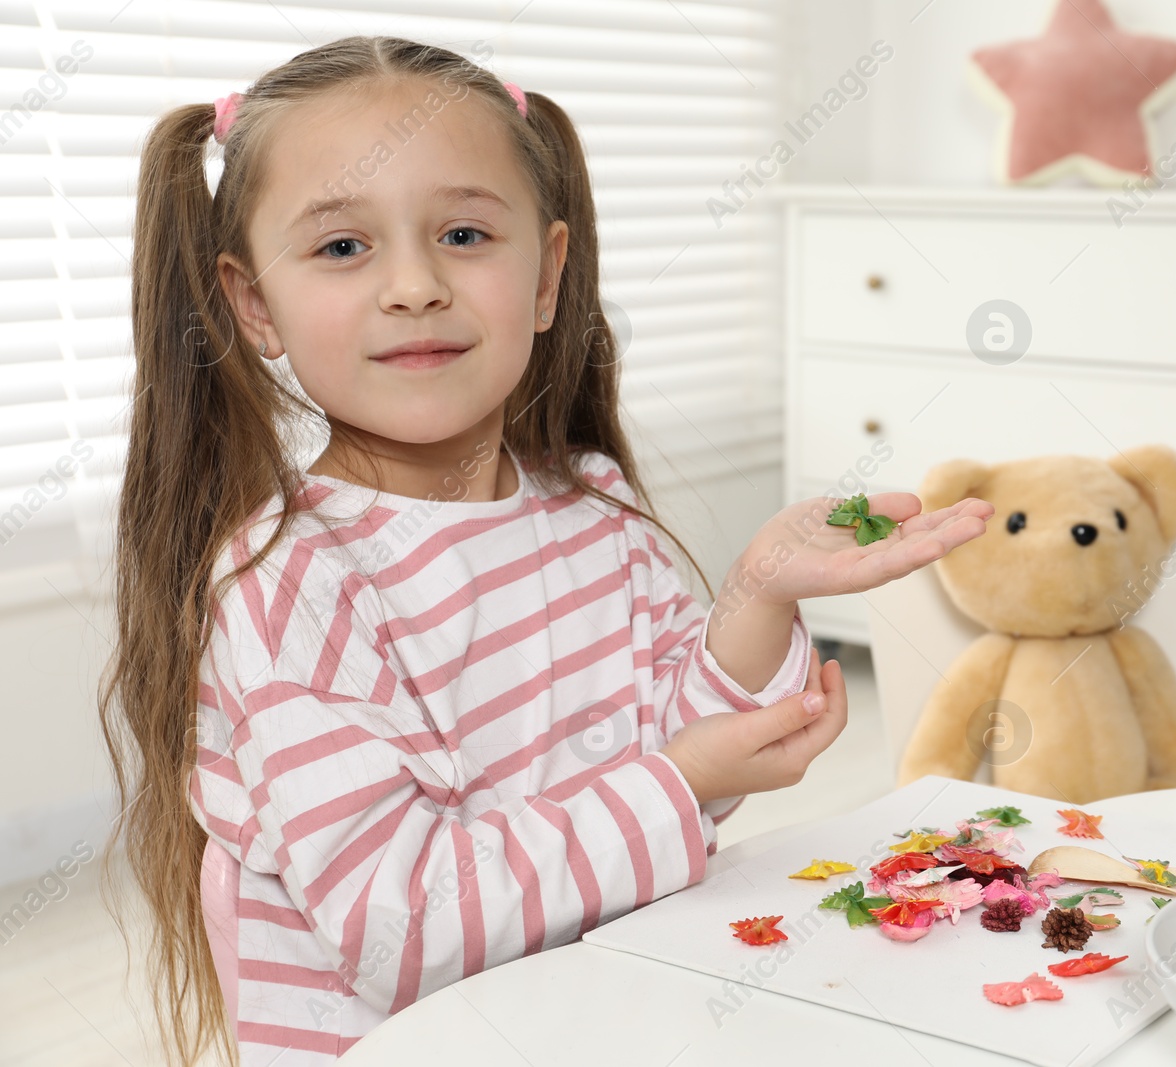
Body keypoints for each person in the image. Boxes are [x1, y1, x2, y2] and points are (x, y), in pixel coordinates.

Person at [97, 34, 992, 1067]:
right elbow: (405, 931)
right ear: (254, 303)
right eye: (343, 247)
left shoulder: (592, 508)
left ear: (546, 276)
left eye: (466, 232)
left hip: (607, 1013)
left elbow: (684, 743)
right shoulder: (293, 586)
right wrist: (676, 778)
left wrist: (757, 592)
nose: (415, 284)